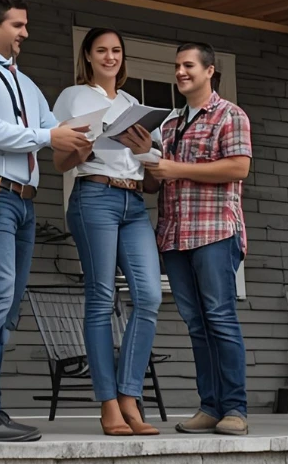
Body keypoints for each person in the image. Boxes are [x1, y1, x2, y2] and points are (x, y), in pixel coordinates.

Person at [0, 0, 91, 442]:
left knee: (6, 309)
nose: (25, 32)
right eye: (18, 25)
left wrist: (94, 137)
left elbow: (54, 131)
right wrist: (51, 136)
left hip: (23, 201)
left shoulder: (26, 84)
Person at [133, 42, 253, 436]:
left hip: (215, 231)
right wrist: (146, 159)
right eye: (177, 66)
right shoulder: (168, 125)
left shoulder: (229, 115)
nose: (181, 72)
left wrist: (175, 167)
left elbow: (238, 167)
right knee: (196, 325)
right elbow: (155, 184)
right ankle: (210, 406)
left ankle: (235, 408)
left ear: (209, 70)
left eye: (188, 65)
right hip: (174, 236)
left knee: (220, 318)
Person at [52, 27, 162, 436]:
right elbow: (61, 161)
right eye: (102, 50)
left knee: (149, 296)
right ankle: (109, 404)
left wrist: (145, 147)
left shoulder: (133, 103)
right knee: (101, 298)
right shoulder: (73, 96)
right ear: (88, 55)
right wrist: (84, 144)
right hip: (94, 196)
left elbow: (149, 166)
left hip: (134, 202)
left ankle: (130, 395)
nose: (110, 57)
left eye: (116, 50)